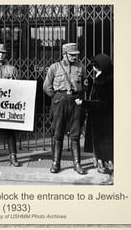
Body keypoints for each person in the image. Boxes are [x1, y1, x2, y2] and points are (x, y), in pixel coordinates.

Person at [43, 43, 87, 175]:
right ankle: (56, 163)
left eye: (76, 55)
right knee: (58, 133)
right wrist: (57, 97)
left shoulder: (81, 67)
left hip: (75, 102)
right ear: (65, 54)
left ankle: (77, 163)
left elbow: (85, 84)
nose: (75, 57)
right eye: (72, 55)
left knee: (75, 133)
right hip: (60, 101)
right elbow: (46, 87)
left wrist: (79, 93)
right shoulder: (54, 67)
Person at [75, 54, 113, 184]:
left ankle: (105, 166)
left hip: (100, 117)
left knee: (102, 142)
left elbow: (101, 102)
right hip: (104, 116)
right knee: (106, 142)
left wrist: (84, 103)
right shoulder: (107, 77)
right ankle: (104, 163)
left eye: (95, 66)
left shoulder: (102, 81)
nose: (93, 69)